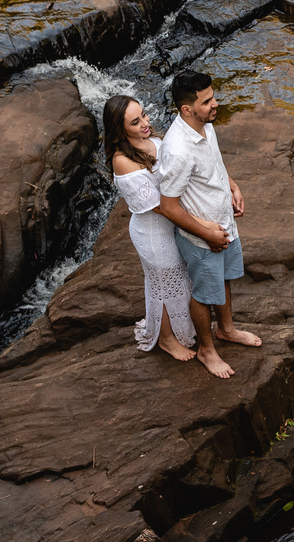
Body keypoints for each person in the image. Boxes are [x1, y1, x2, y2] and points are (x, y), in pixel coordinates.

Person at [157, 70, 261, 379]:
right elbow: (168, 206)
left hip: (224, 223)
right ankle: (206, 349)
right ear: (186, 109)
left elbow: (214, 161)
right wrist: (207, 234)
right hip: (203, 236)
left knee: (224, 278)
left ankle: (226, 329)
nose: (215, 104)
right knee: (203, 292)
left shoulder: (204, 125)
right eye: (207, 101)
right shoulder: (177, 150)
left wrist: (233, 186)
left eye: (213, 96)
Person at [104, 94, 220, 361]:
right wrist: (202, 224)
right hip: (153, 233)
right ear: (119, 129)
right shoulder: (122, 160)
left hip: (173, 225)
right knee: (164, 284)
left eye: (143, 115)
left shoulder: (154, 141)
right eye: (135, 122)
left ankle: (179, 331)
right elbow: (157, 205)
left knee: (180, 280)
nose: (145, 123)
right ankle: (167, 340)